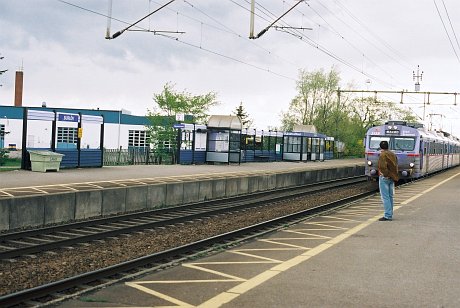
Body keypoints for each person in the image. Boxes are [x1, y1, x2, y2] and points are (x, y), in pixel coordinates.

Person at [377, 140, 399, 221]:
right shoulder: (393, 154)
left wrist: (385, 175)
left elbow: (383, 167)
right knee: (390, 196)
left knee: (385, 197)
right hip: (392, 178)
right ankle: (390, 213)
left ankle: (387, 215)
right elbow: (396, 165)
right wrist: (393, 175)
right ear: (387, 146)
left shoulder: (382, 155)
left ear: (380, 147)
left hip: (384, 178)